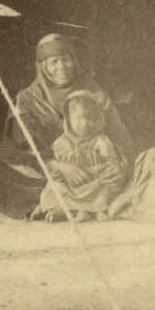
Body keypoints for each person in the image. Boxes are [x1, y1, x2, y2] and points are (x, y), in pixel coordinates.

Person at [0, 33, 133, 218]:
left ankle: (64, 205)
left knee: (134, 169)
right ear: (42, 67)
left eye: (66, 60)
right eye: (54, 62)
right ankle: (75, 204)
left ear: (75, 61)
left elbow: (120, 136)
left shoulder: (94, 93)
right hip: (49, 169)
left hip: (94, 168)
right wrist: (59, 166)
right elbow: (24, 144)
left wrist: (121, 166)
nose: (62, 67)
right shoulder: (27, 99)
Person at [30, 90, 127, 222]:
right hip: (71, 185)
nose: (86, 123)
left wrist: (109, 169)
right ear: (69, 120)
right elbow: (57, 168)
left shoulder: (101, 140)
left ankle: (90, 211)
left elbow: (112, 161)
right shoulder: (61, 142)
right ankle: (63, 210)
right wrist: (60, 173)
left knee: (106, 189)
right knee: (55, 188)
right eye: (80, 118)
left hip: (94, 182)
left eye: (91, 118)